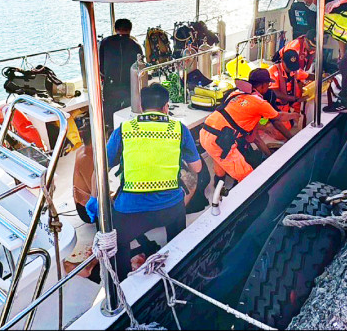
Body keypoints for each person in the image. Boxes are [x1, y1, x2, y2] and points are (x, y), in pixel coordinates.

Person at [106, 83, 203, 279]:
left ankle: (123, 281)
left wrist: (95, 201)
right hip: (170, 209)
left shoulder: (124, 129)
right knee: (178, 231)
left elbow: (101, 169)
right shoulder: (179, 129)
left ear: (141, 107)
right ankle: (177, 268)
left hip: (130, 212)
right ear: (166, 107)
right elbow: (197, 168)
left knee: (119, 244)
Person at [200, 69, 300, 183]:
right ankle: (236, 192)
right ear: (263, 85)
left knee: (220, 165)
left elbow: (253, 137)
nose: (268, 88)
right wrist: (294, 115)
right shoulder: (259, 103)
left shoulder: (235, 93)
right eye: (268, 84)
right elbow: (278, 117)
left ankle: (219, 188)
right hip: (220, 140)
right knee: (247, 177)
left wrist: (268, 153)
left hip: (206, 131)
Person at [98, 18, 144, 132]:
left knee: (110, 114)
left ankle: (110, 131)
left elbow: (101, 68)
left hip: (110, 85)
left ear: (115, 29)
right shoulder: (136, 45)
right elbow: (140, 69)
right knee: (127, 113)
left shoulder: (105, 42)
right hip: (129, 86)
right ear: (130, 30)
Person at [268, 48, 311, 117]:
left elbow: (308, 76)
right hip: (276, 108)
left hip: (289, 107)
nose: (291, 69)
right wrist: (295, 99)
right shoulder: (273, 71)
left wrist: (322, 77)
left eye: (293, 67)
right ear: (282, 61)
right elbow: (275, 92)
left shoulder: (294, 70)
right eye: (289, 66)